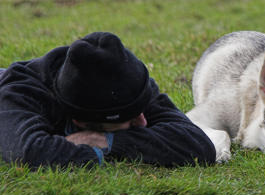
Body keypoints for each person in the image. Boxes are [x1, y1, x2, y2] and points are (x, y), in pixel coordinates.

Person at [0, 32, 216, 168]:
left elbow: (199, 145)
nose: (143, 122)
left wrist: (109, 142)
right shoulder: (20, 93)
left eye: (140, 111)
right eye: (130, 122)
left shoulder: (128, 84)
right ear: (80, 122)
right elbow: (29, 152)